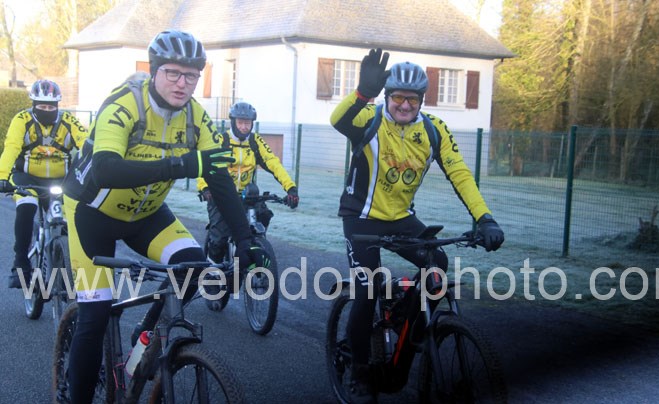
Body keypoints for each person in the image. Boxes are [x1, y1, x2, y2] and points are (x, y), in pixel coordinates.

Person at [61, 30, 267, 403]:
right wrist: (181, 165)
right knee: (94, 316)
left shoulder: (195, 116)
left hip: (147, 214)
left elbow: (219, 180)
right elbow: (105, 170)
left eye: (191, 76)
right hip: (91, 214)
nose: (182, 83)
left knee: (194, 267)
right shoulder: (124, 105)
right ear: (154, 70)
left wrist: (245, 238)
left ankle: (145, 335)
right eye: (173, 73)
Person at [329, 48, 505, 403]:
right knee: (367, 289)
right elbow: (338, 120)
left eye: (412, 99)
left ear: (422, 100)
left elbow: (459, 173)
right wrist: (362, 93)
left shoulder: (433, 129)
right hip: (361, 218)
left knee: (436, 265)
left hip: (400, 217)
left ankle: (406, 322)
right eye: (397, 97)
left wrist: (484, 217)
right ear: (387, 96)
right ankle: (360, 370)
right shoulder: (370, 119)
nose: (405, 105)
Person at [0, 79, 88, 288]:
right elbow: (11, 148)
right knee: (26, 207)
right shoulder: (22, 119)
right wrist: (2, 176)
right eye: (41, 106)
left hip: (61, 179)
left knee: (67, 219)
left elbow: (86, 145)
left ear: (57, 105)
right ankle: (20, 263)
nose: (46, 110)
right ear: (33, 104)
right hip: (27, 177)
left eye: (51, 107)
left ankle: (67, 264)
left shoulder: (68, 120)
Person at [197, 101, 299, 263]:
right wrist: (205, 188)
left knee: (263, 216)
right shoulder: (221, 140)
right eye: (240, 123)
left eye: (248, 123)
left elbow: (272, 162)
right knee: (219, 239)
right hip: (221, 194)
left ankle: (251, 254)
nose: (244, 127)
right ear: (233, 122)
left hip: (246, 195)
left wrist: (290, 188)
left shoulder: (255, 141)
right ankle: (211, 269)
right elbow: (205, 163)